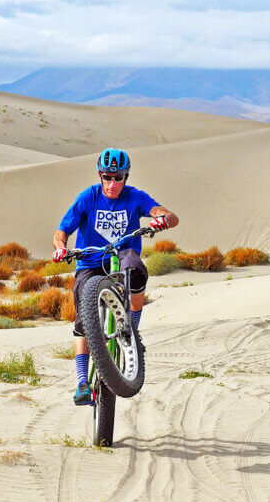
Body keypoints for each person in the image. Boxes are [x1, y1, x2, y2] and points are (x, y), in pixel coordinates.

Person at [51, 148, 178, 405]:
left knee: (135, 270)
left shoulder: (134, 197)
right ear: (100, 175)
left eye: (118, 177)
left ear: (126, 177)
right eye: (107, 177)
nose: (112, 183)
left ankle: (132, 331)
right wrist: (61, 248)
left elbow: (170, 216)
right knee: (82, 320)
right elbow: (61, 231)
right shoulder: (89, 197)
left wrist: (161, 220)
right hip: (89, 260)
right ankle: (82, 382)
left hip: (122, 255)